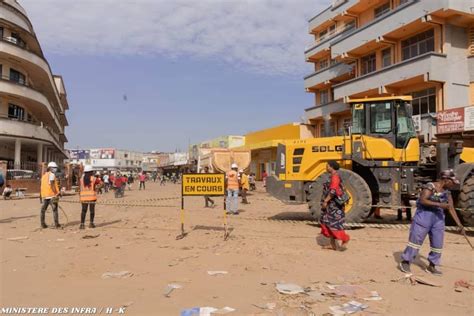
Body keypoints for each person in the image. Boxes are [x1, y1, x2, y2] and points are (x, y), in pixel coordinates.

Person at [399, 169, 465, 275]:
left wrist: (459, 224)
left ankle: (432, 265)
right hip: (424, 216)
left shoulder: (447, 192)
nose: (453, 185)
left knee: (437, 243)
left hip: (438, 219)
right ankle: (406, 261)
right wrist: (440, 205)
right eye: (452, 182)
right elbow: (423, 200)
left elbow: (451, 207)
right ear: (446, 180)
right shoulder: (430, 187)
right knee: (416, 240)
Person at [320, 160, 350, 251]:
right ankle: (332, 245)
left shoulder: (335, 177)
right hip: (330, 206)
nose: (326, 167)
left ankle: (345, 240)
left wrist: (325, 201)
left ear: (331, 167)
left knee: (335, 224)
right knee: (327, 223)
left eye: (327, 165)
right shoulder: (332, 176)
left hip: (335, 206)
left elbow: (332, 191)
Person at [40, 162, 61, 229]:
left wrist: (40, 196)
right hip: (52, 195)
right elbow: (52, 185)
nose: (55, 169)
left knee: (43, 210)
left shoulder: (44, 176)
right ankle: (56, 224)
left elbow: (42, 187)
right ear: (50, 168)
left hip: (45, 196)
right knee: (55, 210)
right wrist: (57, 193)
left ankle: (43, 224)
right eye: (54, 168)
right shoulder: (52, 175)